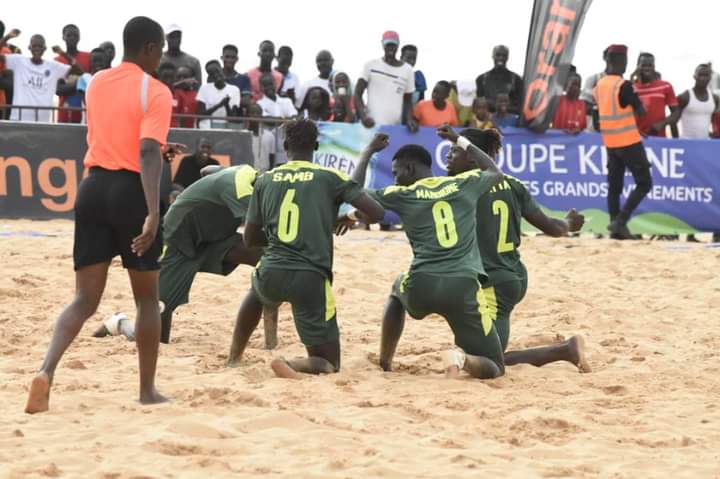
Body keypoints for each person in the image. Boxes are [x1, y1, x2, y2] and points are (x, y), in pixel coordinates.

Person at [24, 16, 174, 414]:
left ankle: (46, 371)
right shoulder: (155, 90)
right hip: (131, 192)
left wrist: (158, 149)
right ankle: (147, 391)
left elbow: (116, 133)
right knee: (146, 299)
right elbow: (144, 152)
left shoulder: (97, 83)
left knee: (83, 299)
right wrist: (154, 212)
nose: (161, 57)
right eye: (160, 49)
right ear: (148, 48)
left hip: (92, 188)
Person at [226, 119, 385, 378]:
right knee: (328, 364)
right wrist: (350, 218)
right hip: (310, 278)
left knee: (256, 289)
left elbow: (250, 239)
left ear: (285, 146)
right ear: (317, 146)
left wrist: (281, 241)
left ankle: (234, 357)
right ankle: (292, 365)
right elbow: (377, 213)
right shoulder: (329, 178)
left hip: (272, 271)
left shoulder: (266, 179)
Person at [348, 128, 506, 379]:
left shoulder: (402, 194)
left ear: (410, 169)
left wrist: (368, 152)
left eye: (396, 172)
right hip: (463, 285)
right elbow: (494, 171)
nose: (395, 179)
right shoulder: (462, 183)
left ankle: (385, 361)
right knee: (495, 366)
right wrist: (458, 140)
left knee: (396, 290)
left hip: (422, 283)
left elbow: (353, 192)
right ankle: (462, 360)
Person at [445, 128, 589, 372]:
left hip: (492, 283)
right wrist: (568, 223)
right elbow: (552, 228)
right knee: (487, 356)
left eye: (454, 150)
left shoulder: (462, 186)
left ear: (472, 156)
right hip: (513, 276)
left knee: (490, 363)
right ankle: (566, 350)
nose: (448, 156)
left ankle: (566, 350)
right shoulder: (513, 184)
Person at [95, 165, 281, 348]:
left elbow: (207, 170)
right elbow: (259, 230)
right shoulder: (242, 190)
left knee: (268, 258)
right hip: (179, 244)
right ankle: (120, 323)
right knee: (157, 336)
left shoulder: (245, 172)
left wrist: (202, 198)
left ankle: (270, 342)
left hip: (214, 239)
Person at [593, 44, 650, 240]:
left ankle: (615, 226)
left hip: (610, 143)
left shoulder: (599, 85)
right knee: (644, 183)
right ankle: (620, 221)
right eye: (625, 61)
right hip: (629, 142)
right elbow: (641, 111)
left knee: (614, 187)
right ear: (619, 61)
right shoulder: (623, 85)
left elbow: (597, 116)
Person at [0, 32, 80, 122]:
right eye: (34, 46)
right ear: (29, 47)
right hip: (18, 120)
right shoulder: (19, 61)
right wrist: (7, 37)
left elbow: (78, 71)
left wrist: (62, 53)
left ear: (44, 48)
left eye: (40, 46)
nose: (37, 49)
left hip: (41, 123)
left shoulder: (53, 67)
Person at [355, 31, 417, 132]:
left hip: (394, 129)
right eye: (388, 45)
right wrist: (363, 117)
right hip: (371, 127)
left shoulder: (407, 70)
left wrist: (409, 119)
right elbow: (357, 93)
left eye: (393, 45)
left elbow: (408, 101)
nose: (390, 48)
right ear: (383, 44)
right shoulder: (370, 65)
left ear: (397, 46)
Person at [633, 53, 680, 138]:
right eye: (643, 65)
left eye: (650, 65)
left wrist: (662, 123)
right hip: (635, 138)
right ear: (637, 66)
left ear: (654, 66)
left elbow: (676, 113)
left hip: (658, 139)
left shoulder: (666, 86)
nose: (647, 68)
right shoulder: (631, 87)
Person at [55, 24, 90, 123]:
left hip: (85, 114)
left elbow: (90, 83)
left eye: (75, 35)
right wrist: (80, 83)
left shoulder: (88, 57)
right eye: (69, 35)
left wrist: (69, 85)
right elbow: (58, 89)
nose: (72, 38)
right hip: (63, 113)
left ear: (79, 37)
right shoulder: (57, 60)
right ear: (63, 37)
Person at [476, 45, 523, 114]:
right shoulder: (481, 79)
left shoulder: (517, 80)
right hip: (487, 120)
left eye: (504, 55)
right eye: (498, 55)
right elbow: (478, 104)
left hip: (509, 120)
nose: (501, 58)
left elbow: (520, 106)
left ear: (507, 58)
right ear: (493, 56)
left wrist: (496, 106)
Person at [678, 64, 719, 139]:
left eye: (706, 75)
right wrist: (675, 141)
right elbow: (674, 120)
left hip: (704, 143)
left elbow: (715, 121)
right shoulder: (684, 97)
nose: (702, 78)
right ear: (694, 76)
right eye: (700, 75)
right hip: (686, 141)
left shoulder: (715, 98)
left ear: (710, 78)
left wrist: (715, 135)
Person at [196, 59, 240, 129]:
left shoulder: (234, 90)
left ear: (221, 70)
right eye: (211, 74)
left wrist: (226, 105)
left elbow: (233, 118)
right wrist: (219, 105)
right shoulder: (204, 88)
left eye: (217, 71)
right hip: (207, 127)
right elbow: (201, 115)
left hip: (227, 128)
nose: (216, 75)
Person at [247, 102, 276, 172]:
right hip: (247, 173)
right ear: (248, 115)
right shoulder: (244, 136)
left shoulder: (270, 136)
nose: (255, 115)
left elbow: (272, 158)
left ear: (261, 115)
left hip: (264, 174)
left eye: (257, 113)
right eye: (252, 113)